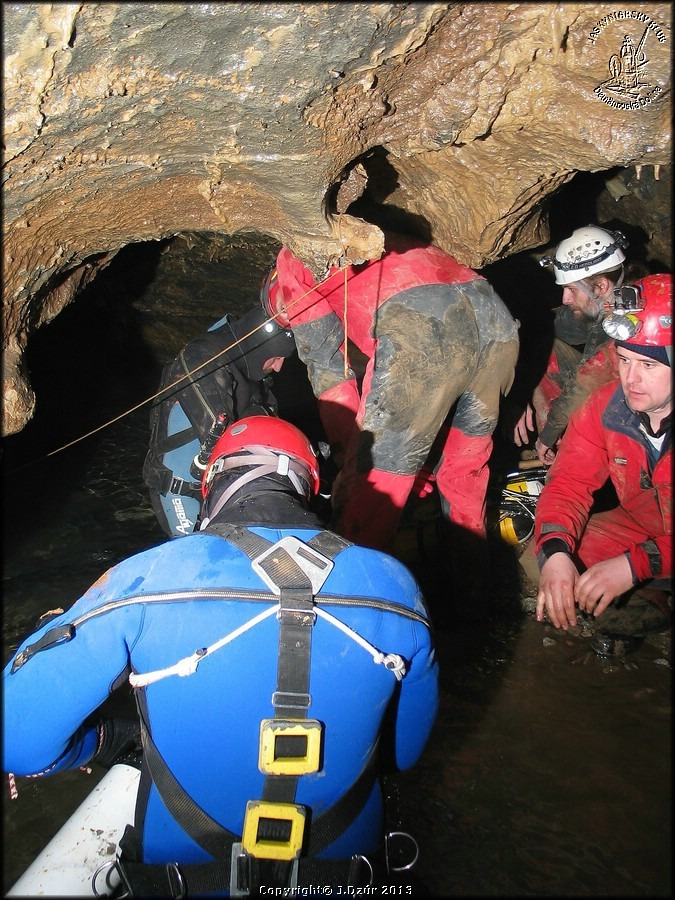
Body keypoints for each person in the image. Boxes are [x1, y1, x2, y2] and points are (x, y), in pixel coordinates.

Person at [3, 416, 439, 895]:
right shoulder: (395, 586)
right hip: (344, 882)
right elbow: (402, 753)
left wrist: (101, 741)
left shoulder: (147, 577)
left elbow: (19, 744)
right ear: (308, 488)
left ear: (210, 487)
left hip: (184, 883)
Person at [261, 233, 520, 608]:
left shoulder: (291, 261)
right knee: (464, 473)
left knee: (373, 490)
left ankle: (356, 609)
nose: (288, 324)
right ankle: (472, 602)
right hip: (495, 321)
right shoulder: (377, 232)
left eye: (281, 315)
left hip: (425, 327)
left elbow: (330, 374)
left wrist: (349, 456)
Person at [532, 274, 672, 657]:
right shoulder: (607, 406)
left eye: (648, 364)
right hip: (645, 528)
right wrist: (556, 553)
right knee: (553, 561)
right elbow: (569, 483)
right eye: (624, 360)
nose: (631, 378)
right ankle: (653, 605)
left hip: (657, 546)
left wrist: (634, 565)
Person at [143, 303, 296, 537]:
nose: (278, 367)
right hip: (182, 492)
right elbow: (223, 440)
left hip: (224, 485)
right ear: (260, 347)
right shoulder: (203, 359)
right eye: (275, 357)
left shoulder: (248, 367)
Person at [512, 225, 630, 465]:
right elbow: (540, 326)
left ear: (601, 287)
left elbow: (585, 382)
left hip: (640, 417)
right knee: (545, 345)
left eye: (571, 290)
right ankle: (564, 447)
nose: (565, 299)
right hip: (609, 394)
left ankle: (577, 458)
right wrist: (517, 392)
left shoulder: (629, 318)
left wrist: (547, 435)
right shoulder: (604, 304)